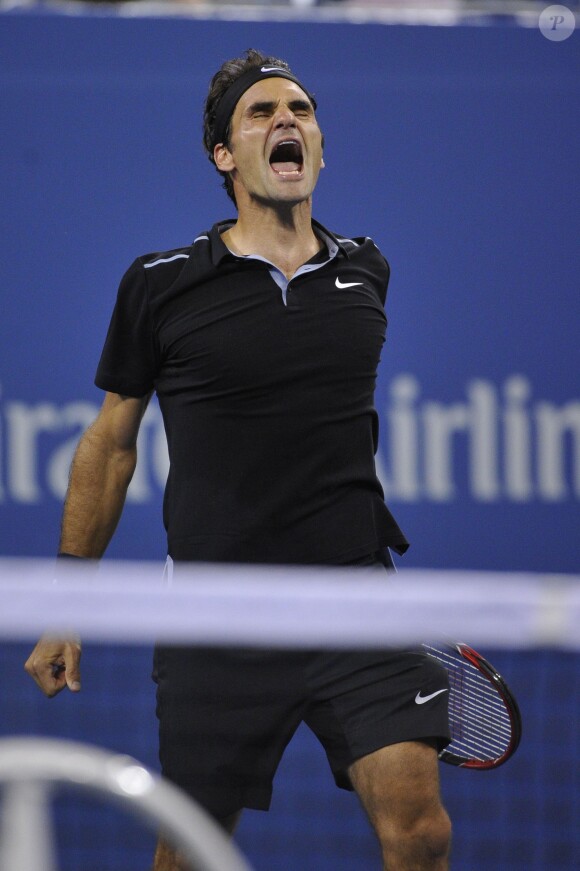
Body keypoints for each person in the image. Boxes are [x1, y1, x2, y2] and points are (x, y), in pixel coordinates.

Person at [25, 49, 452, 870]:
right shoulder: (161, 283)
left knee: (422, 831)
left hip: (357, 598)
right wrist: (65, 601)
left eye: (300, 109)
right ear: (225, 157)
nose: (285, 121)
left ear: (320, 146)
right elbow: (112, 444)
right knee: (188, 852)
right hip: (216, 613)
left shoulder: (366, 270)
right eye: (259, 113)